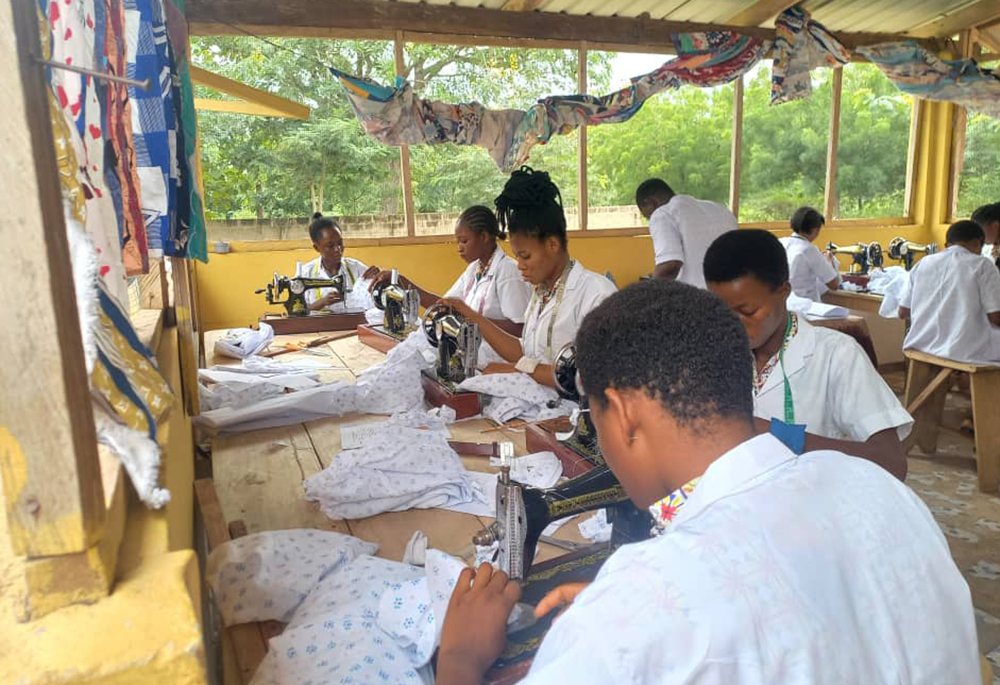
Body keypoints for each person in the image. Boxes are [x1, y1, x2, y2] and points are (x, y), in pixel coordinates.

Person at [435, 280, 978, 685]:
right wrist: (636, 612)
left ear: (622, 415)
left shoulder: (640, 605)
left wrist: (461, 658)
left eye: (596, 425)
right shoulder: (872, 485)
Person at [703, 229, 911, 481]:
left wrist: (780, 436)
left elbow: (891, 463)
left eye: (748, 311)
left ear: (783, 291)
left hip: (807, 502)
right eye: (722, 312)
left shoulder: (835, 355)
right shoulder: (708, 352)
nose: (734, 325)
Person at [440, 167, 616, 388]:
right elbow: (526, 351)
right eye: (517, 257)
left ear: (552, 244)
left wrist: (514, 370)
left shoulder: (596, 294)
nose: (520, 266)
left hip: (572, 411)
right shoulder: (541, 294)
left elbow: (592, 375)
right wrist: (469, 315)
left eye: (526, 256)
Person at [370, 206, 530, 335]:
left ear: (484, 237)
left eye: (464, 241)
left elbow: (519, 328)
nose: (459, 248)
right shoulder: (474, 269)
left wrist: (470, 319)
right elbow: (444, 305)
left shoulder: (508, 271)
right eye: (458, 242)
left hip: (494, 357)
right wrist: (402, 282)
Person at [899, 219, 1000, 366]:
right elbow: (995, 318)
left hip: (920, 345)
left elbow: (903, 312)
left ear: (947, 245)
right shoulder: (983, 265)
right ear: (978, 244)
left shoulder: (923, 263)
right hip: (965, 351)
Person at [635, 178, 737, 287]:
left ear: (651, 203)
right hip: (734, 293)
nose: (651, 219)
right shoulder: (720, 209)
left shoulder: (663, 213)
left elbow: (670, 265)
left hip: (698, 297)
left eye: (648, 216)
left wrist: (648, 294)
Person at [297, 213, 379, 313]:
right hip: (318, 328)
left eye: (340, 243)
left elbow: (376, 300)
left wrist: (378, 280)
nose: (338, 249)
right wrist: (322, 303)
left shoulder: (357, 268)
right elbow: (297, 312)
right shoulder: (306, 273)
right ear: (317, 248)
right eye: (330, 245)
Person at [780, 206, 841, 301]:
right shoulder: (809, 250)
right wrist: (829, 261)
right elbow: (834, 284)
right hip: (804, 307)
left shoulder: (781, 243)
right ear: (815, 229)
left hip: (782, 305)